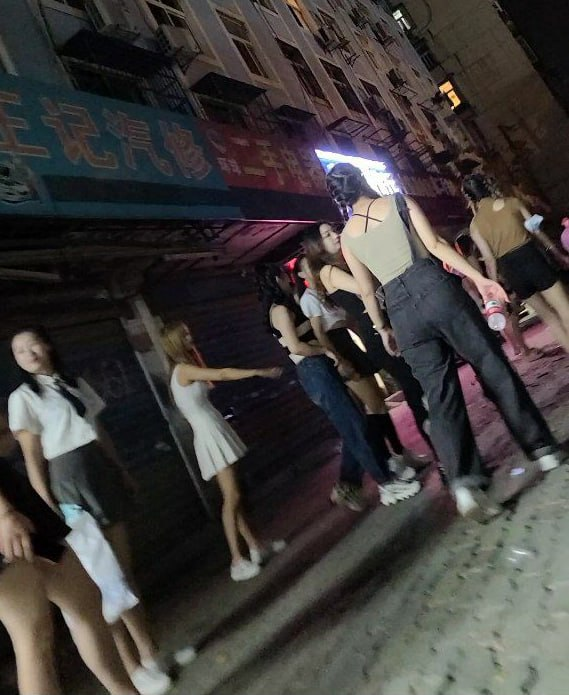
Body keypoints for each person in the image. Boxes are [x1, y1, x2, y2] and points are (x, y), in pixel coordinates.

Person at [326, 162, 564, 521]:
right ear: (360, 180)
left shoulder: (347, 238)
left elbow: (366, 289)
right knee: (491, 365)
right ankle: (541, 448)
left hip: (402, 314)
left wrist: (382, 328)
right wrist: (480, 280)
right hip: (435, 289)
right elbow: (435, 245)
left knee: (439, 396)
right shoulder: (398, 202)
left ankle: (463, 483)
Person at [8, 327, 172, 695]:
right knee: (102, 580)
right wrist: (48, 507)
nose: (28, 353)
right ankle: (131, 669)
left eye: (33, 344)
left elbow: (100, 432)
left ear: (48, 344)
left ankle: (151, 655)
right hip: (67, 482)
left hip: (99, 472)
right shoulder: (23, 398)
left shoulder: (75, 383)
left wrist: (121, 471)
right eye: (19, 351)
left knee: (123, 572)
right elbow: (33, 459)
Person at [255, 262, 421, 508]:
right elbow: (295, 347)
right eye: (284, 276)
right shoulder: (279, 310)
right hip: (313, 369)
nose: (289, 280)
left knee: (354, 425)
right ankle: (386, 483)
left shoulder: (287, 306)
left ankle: (353, 482)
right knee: (355, 427)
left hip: (319, 369)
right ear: (275, 280)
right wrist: (326, 351)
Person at [0, 412, 139, 695]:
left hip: (22, 509)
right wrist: (4, 513)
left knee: (84, 601)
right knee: (32, 636)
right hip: (8, 521)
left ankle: (125, 691)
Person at [160, 321, 285, 582]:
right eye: (184, 334)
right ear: (175, 341)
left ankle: (255, 547)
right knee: (232, 496)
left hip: (212, 429)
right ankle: (236, 561)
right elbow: (223, 374)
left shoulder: (183, 367)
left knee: (233, 495)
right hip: (209, 433)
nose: (190, 336)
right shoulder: (183, 370)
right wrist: (258, 371)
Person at [293, 253, 422, 481]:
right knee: (373, 406)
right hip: (341, 352)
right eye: (307, 267)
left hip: (351, 346)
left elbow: (348, 320)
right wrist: (339, 360)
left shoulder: (324, 292)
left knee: (379, 403)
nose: (313, 270)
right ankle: (388, 462)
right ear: (301, 274)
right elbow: (321, 333)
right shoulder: (308, 299)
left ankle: (400, 454)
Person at [302, 222, 432, 447]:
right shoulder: (328, 271)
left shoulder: (338, 265)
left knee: (416, 384)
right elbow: (366, 288)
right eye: (327, 235)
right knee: (413, 386)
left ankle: (440, 442)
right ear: (317, 245)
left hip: (380, 326)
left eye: (334, 231)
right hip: (376, 332)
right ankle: (437, 444)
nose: (336, 235)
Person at [463, 173, 569, 353]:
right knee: (564, 308)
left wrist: (493, 286)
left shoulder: (475, 225)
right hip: (531, 258)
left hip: (511, 271)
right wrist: (557, 253)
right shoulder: (512, 203)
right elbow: (536, 230)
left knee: (549, 318)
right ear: (488, 186)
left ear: (469, 197)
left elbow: (489, 259)